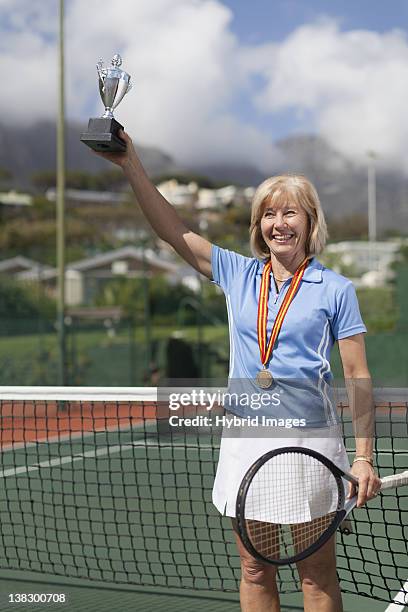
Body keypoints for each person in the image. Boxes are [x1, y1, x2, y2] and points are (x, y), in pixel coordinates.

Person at [96, 131, 381, 612]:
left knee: (315, 574)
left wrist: (364, 457)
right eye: (269, 213)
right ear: (258, 224)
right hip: (246, 442)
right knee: (254, 568)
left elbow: (358, 376)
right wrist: (130, 164)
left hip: (311, 443)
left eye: (290, 212)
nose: (278, 223)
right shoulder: (238, 274)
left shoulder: (337, 289)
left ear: (310, 220)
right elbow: (172, 230)